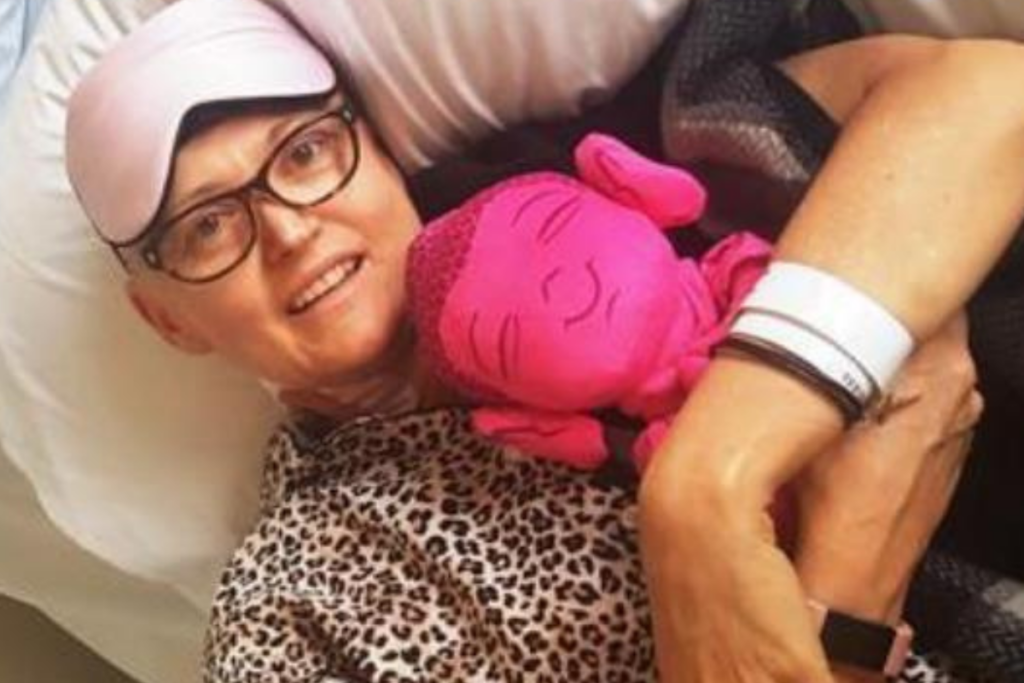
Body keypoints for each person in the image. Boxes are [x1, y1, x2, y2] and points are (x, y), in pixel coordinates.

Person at [63, 0, 1022, 680]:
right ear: (168, 320)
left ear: (379, 152)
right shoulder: (289, 611)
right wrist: (849, 587)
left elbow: (989, 99)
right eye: (206, 227)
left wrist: (703, 487)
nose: (287, 228)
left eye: (306, 152)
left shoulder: (611, 189)